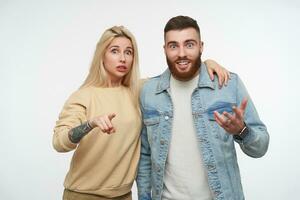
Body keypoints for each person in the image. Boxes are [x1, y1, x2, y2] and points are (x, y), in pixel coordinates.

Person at [52, 25, 229, 200]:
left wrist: (206, 63)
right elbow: (59, 143)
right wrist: (91, 124)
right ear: (102, 55)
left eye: (128, 52)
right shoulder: (84, 96)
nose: (122, 58)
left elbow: (175, 74)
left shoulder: (138, 90)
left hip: (123, 196)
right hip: (84, 195)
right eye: (115, 51)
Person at [137, 16, 269, 200]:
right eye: (174, 45)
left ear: (201, 47)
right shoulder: (149, 92)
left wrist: (242, 131)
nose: (181, 53)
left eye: (189, 44)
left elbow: (261, 148)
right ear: (165, 49)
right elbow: (145, 154)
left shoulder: (228, 85)